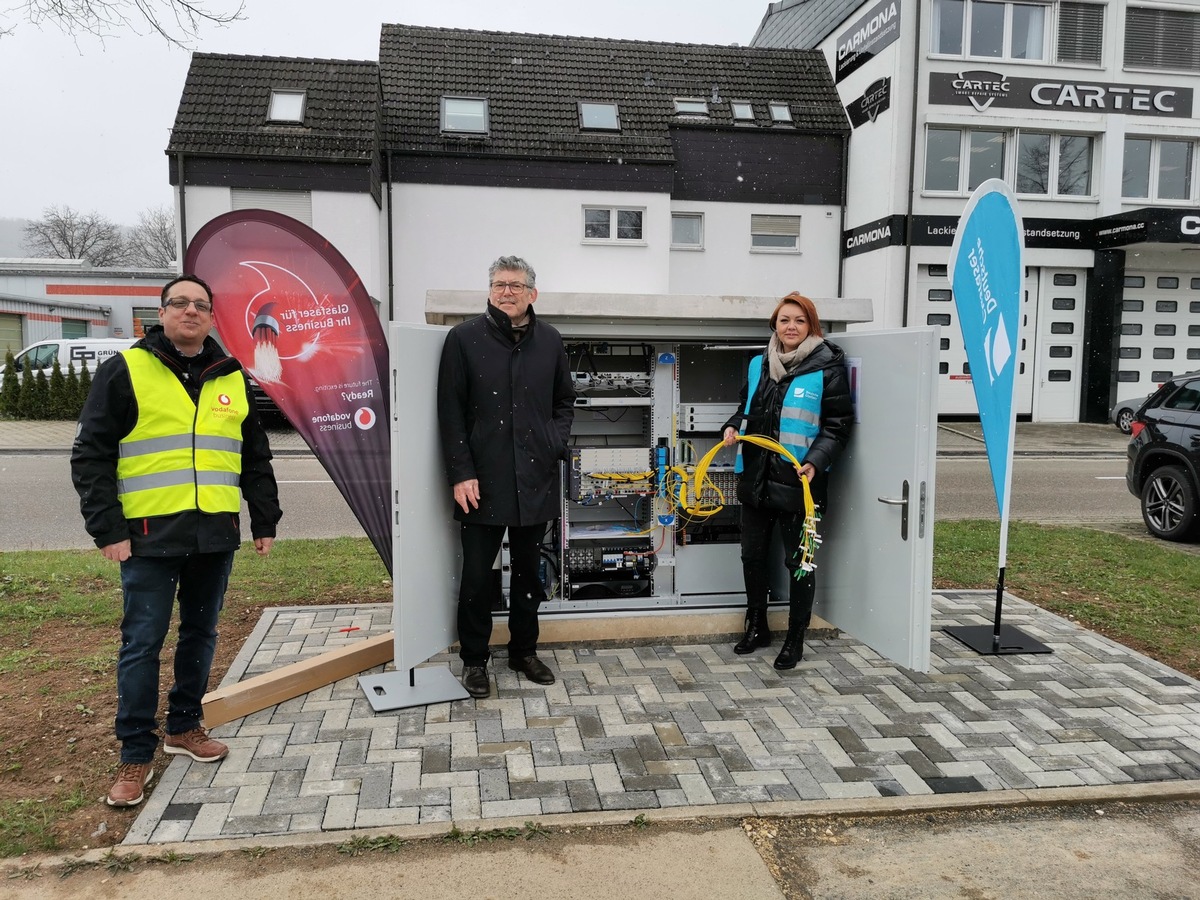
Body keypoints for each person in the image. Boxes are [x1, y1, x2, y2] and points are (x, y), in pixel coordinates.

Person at [71, 273, 281, 807]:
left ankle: (184, 727)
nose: (191, 311)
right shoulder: (126, 371)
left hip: (214, 535)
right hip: (146, 538)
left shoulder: (231, 375)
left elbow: (253, 455)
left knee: (201, 634)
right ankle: (134, 753)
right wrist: (107, 530)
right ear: (159, 315)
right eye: (179, 303)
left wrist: (264, 519)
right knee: (142, 644)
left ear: (212, 317)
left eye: (201, 305)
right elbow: (91, 455)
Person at [437, 255, 576, 699]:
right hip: (483, 481)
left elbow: (565, 402)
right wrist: (461, 473)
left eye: (516, 285)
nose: (507, 292)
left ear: (532, 293)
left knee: (529, 576)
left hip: (535, 478)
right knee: (478, 576)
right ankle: (475, 660)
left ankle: (523, 651)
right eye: (499, 285)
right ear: (490, 290)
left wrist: (553, 441)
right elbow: (450, 413)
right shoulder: (464, 339)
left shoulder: (550, 341)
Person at [722, 292, 853, 670]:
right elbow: (746, 408)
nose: (790, 327)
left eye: (798, 320)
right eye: (784, 320)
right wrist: (733, 425)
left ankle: (795, 639)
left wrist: (815, 461)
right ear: (774, 325)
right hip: (756, 481)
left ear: (811, 325)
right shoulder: (759, 364)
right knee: (753, 557)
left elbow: (838, 426)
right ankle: (757, 626)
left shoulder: (827, 367)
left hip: (800, 484)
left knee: (799, 563)